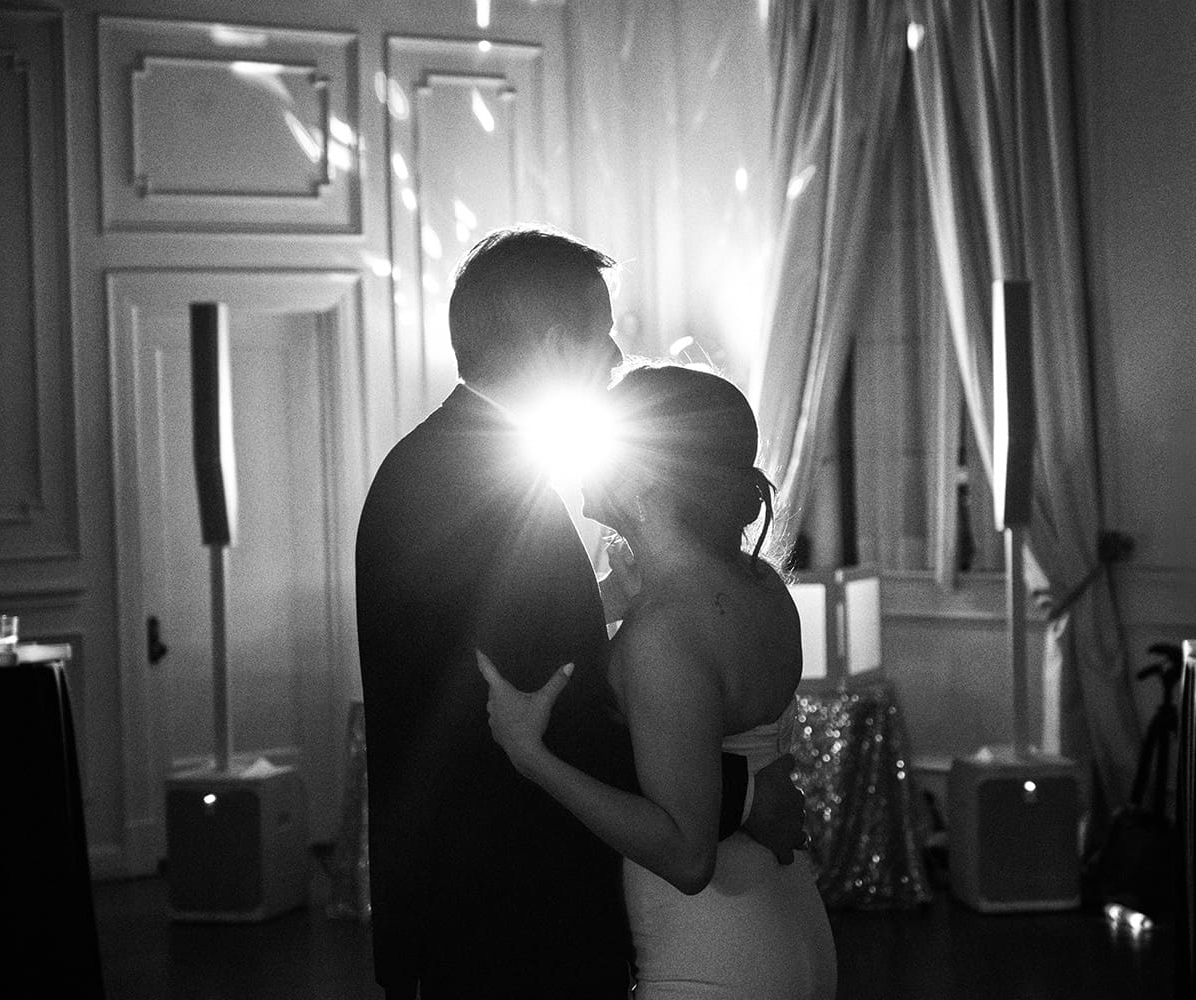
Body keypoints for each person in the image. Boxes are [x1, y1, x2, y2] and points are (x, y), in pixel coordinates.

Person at [355, 226, 806, 999]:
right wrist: (743, 794)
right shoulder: (471, 486)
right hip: (502, 914)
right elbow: (538, 712)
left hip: (506, 903)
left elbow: (516, 660)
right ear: (555, 343)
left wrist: (600, 605)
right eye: (599, 336)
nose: (611, 358)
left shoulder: (458, 468)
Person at [480, 362, 839, 1000]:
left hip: (711, 952)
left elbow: (687, 855)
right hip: (790, 919)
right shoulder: (762, 587)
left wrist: (528, 754)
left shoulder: (663, 634)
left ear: (646, 474)